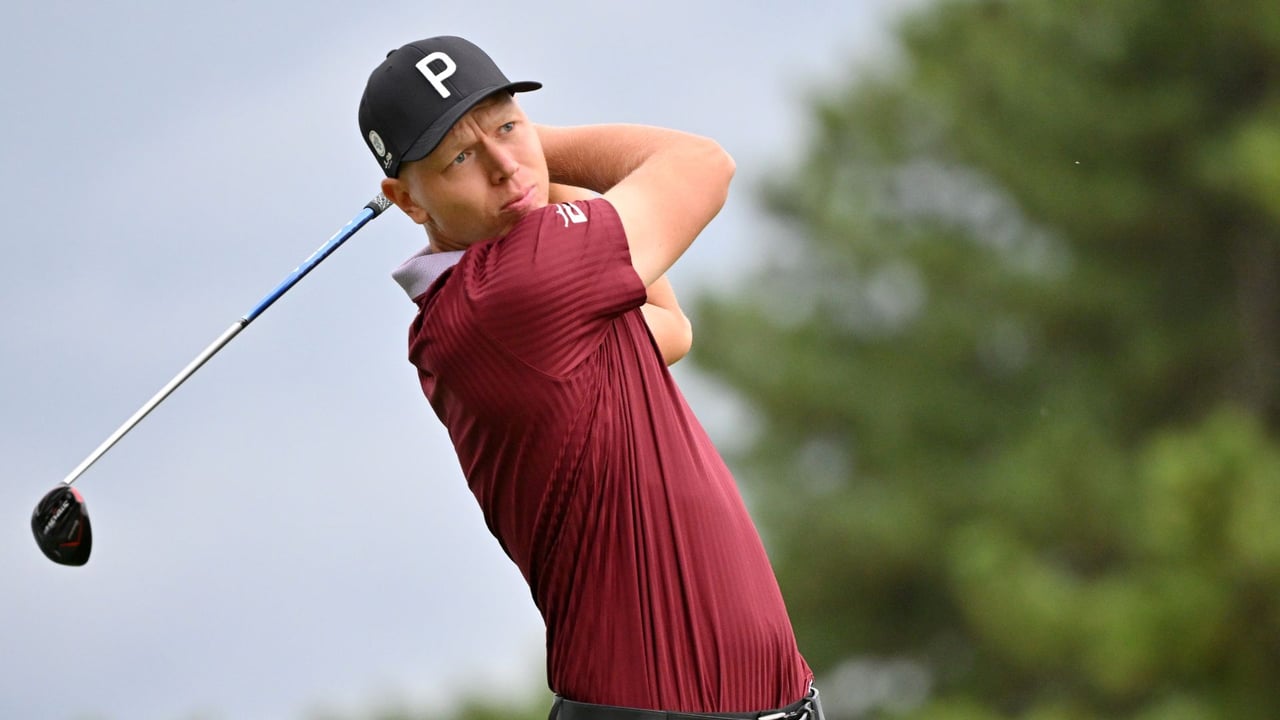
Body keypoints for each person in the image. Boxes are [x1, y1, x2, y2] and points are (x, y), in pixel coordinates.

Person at [358, 36, 823, 720]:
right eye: (460, 157)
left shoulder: (494, 308)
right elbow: (702, 164)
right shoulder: (515, 289)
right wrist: (536, 149)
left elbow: (669, 327)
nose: (502, 166)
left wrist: (516, 165)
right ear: (407, 201)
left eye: (508, 126)